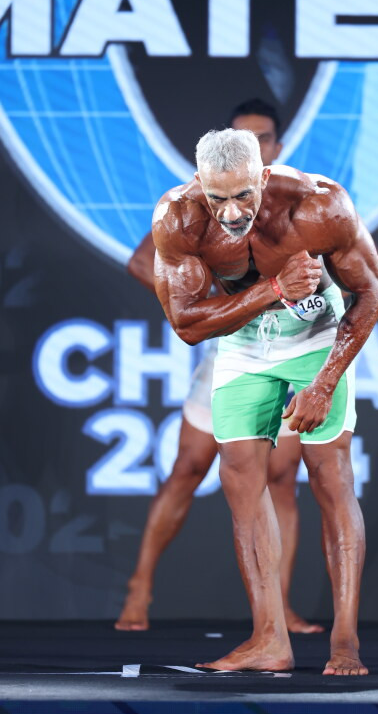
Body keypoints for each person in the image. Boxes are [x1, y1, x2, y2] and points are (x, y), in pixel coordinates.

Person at [152, 129, 378, 675]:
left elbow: (372, 291)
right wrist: (274, 290)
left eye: (243, 195)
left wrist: (324, 383)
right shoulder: (178, 218)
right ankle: (269, 640)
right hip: (243, 338)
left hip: (317, 334)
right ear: (199, 184)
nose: (232, 212)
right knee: (239, 476)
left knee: (330, 474)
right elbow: (186, 325)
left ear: (263, 175)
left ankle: (345, 642)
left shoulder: (319, 205)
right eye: (218, 198)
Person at [115, 100, 323, 635]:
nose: (253, 146)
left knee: (282, 479)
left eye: (263, 138)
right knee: (189, 467)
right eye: (242, 137)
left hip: (290, 349)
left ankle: (279, 610)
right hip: (231, 347)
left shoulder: (299, 198)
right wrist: (213, 301)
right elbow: (143, 261)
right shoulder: (201, 202)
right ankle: (140, 587)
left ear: (276, 145)